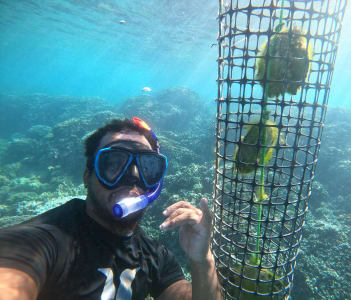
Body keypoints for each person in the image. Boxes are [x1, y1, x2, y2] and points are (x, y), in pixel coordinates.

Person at [0, 117, 223, 300]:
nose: (133, 176)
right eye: (114, 163)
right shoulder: (45, 241)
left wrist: (202, 259)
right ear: (88, 177)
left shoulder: (155, 256)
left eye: (147, 166)